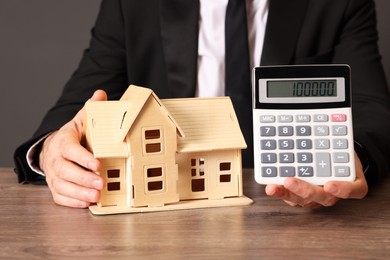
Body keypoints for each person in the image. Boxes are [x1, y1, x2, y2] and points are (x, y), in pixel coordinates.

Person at [14, 0, 390, 209]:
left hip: (293, 215)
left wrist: (350, 153)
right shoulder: (133, 5)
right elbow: (75, 107)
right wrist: (50, 151)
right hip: (168, 212)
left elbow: (373, 108)